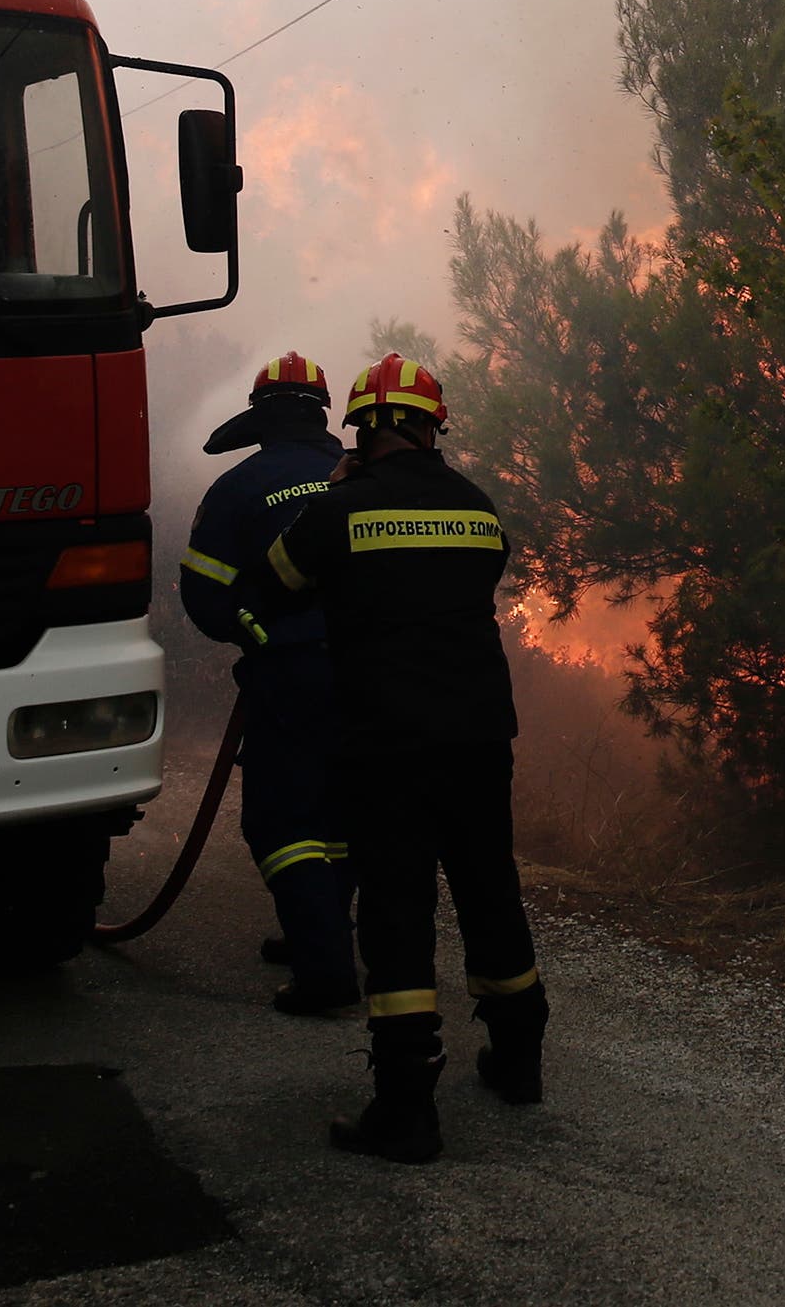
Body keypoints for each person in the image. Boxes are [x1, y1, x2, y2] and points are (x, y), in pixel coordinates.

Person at [243, 352, 542, 1163]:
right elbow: (482, 572)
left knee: (398, 911)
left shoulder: (341, 509)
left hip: (386, 742)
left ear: (364, 428)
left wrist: (337, 496)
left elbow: (270, 584)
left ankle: (407, 1111)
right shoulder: (478, 509)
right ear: (430, 426)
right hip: (480, 736)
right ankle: (517, 1063)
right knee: (489, 889)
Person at [178, 351, 360, 1016]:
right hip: (372, 672)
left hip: (289, 674)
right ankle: (321, 929)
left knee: (281, 822)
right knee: (340, 815)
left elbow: (201, 594)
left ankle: (325, 967)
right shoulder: (359, 478)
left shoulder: (238, 485)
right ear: (321, 412)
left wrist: (252, 632)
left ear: (261, 415)